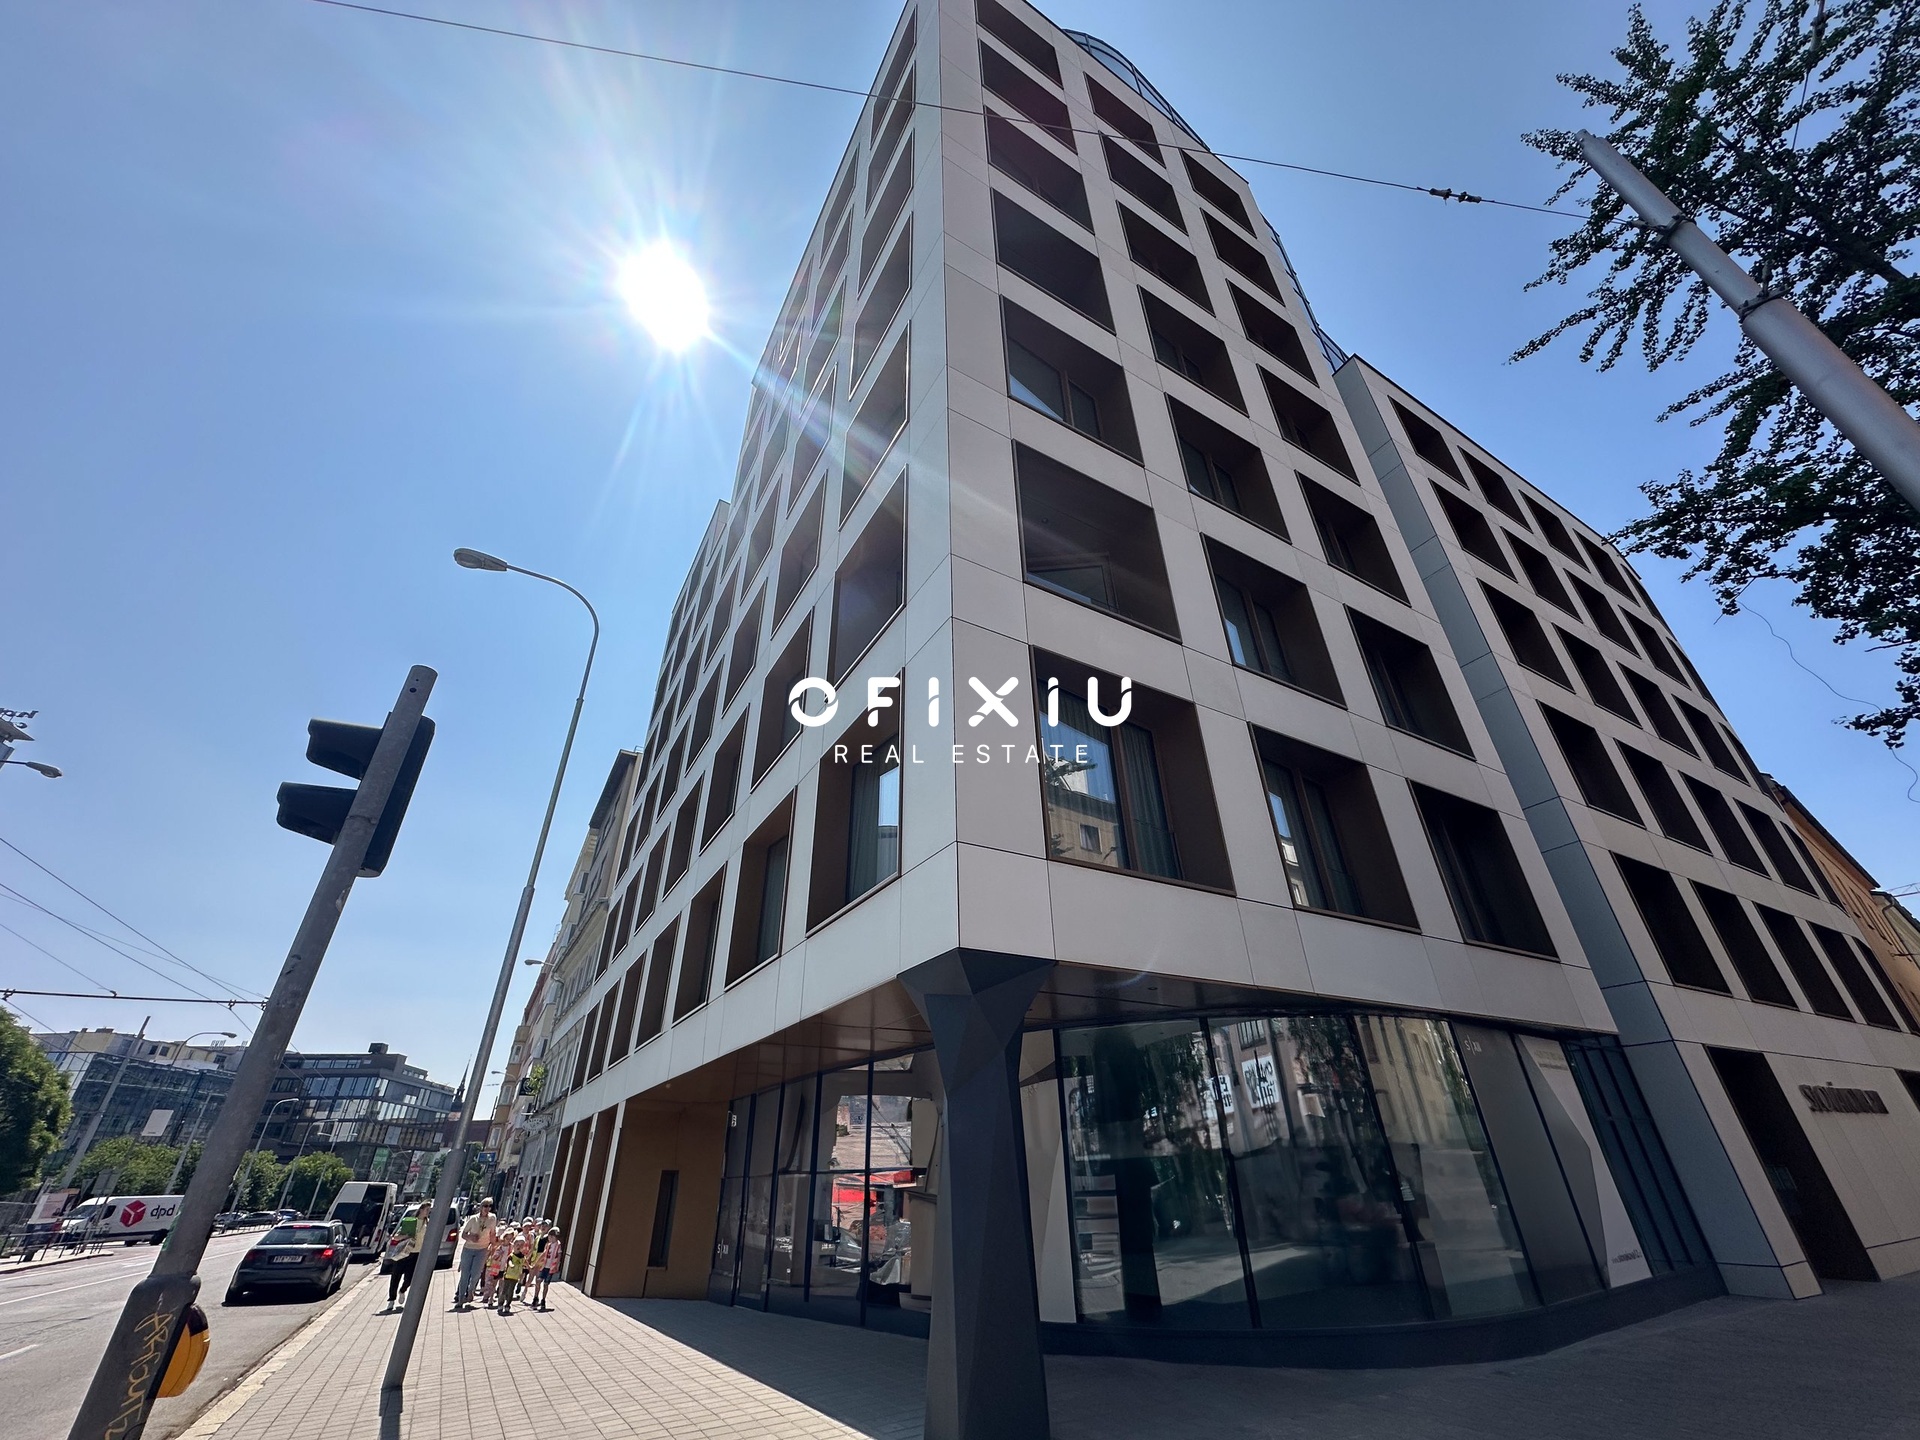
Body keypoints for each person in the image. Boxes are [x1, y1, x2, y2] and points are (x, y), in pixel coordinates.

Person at [453, 1198, 496, 1310]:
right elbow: (463, 1234)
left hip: (482, 1249)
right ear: (481, 1207)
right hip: (468, 1249)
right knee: (465, 1274)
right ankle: (461, 1299)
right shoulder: (473, 1219)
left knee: (476, 1274)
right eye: (485, 1206)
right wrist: (471, 1237)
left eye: (489, 1206)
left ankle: (471, 1290)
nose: (487, 1208)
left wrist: (493, 1246)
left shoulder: (492, 1218)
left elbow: (492, 1233)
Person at [382, 1202, 426, 1310]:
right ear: (421, 1210)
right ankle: (391, 1300)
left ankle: (402, 1290)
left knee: (409, 1278)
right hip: (404, 1252)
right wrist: (406, 1235)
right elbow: (396, 1237)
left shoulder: (428, 1224)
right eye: (427, 1210)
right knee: (396, 1276)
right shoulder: (411, 1221)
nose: (428, 1212)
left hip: (416, 1253)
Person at [497, 1231, 531, 1315]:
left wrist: (529, 1267)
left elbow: (525, 1262)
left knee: (510, 1292)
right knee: (504, 1291)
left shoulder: (522, 1257)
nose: (519, 1247)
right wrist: (511, 1265)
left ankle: (507, 1305)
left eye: (521, 1245)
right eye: (517, 1245)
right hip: (508, 1275)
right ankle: (500, 1303)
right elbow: (509, 1262)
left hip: (515, 1277)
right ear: (514, 1245)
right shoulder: (511, 1255)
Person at [532, 1228, 563, 1311]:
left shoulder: (558, 1245)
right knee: (538, 1281)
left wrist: (557, 1265)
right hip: (544, 1266)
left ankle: (543, 1300)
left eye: (552, 1237)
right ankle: (535, 1297)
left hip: (551, 1268)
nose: (550, 1238)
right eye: (550, 1237)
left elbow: (559, 1255)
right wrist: (536, 1263)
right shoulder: (548, 1245)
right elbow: (544, 1253)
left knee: (546, 1284)